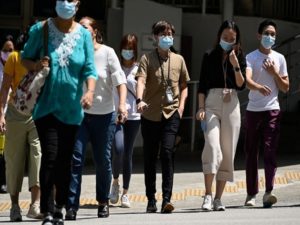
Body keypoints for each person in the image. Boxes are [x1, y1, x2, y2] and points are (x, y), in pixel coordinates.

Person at [21, 1, 98, 225]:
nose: (66, 3)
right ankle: (47, 210)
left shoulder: (83, 35)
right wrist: (35, 65)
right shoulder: (41, 29)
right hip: (46, 109)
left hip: (73, 111)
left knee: (66, 161)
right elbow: (25, 57)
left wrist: (90, 92)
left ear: (77, 5)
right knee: (50, 158)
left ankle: (61, 207)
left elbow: (89, 68)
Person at [65, 16, 127, 220]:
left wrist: (121, 106)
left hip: (104, 116)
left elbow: (120, 82)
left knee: (103, 161)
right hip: (79, 116)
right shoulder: (74, 52)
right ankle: (71, 205)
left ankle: (103, 201)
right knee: (76, 159)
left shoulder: (107, 53)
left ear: (94, 31)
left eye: (84, 27)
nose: (80, 30)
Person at [136, 20, 190, 213]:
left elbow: (184, 86)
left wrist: (181, 107)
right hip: (150, 113)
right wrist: (139, 99)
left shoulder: (179, 59)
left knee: (167, 153)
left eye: (169, 34)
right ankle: (151, 198)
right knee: (150, 157)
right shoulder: (146, 59)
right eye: (162, 34)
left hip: (171, 112)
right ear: (155, 37)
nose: (167, 37)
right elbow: (140, 80)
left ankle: (167, 198)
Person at [195, 20, 246, 211]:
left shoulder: (240, 56)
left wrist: (235, 65)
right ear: (219, 36)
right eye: (225, 38)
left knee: (227, 152)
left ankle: (218, 198)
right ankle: (207, 195)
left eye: (232, 39)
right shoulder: (209, 55)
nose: (228, 41)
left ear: (237, 40)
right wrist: (200, 108)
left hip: (232, 103)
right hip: (212, 102)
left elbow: (241, 85)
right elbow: (201, 86)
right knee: (212, 145)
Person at [244, 19, 289, 208]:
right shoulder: (250, 57)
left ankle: (268, 192)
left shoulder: (279, 58)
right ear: (258, 35)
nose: (270, 37)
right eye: (266, 33)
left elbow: (286, 87)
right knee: (251, 152)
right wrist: (258, 87)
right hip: (253, 111)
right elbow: (246, 80)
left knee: (270, 151)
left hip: (272, 110)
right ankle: (251, 194)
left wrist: (274, 73)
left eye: (273, 34)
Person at [0, 26, 42, 221]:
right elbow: (5, 88)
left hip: (37, 114)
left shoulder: (44, 60)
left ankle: (35, 204)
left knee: (37, 156)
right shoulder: (14, 58)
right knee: (14, 161)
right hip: (15, 114)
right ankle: (15, 205)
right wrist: (1, 115)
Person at [109, 34, 140, 208]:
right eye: (125, 47)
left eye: (131, 47)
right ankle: (115, 182)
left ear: (135, 49)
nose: (127, 51)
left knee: (128, 153)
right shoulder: (115, 67)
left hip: (134, 116)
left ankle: (126, 193)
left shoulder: (139, 68)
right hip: (116, 113)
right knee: (118, 148)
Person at [0, 35, 14, 194]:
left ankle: (4, 182)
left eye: (10, 50)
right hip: (0, 112)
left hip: (10, 113)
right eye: (5, 50)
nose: (8, 53)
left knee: (5, 151)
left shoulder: (17, 64)